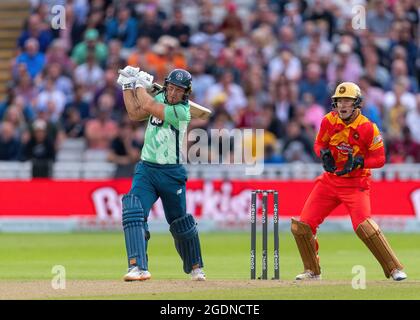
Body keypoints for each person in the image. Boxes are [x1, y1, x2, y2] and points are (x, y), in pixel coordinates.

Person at [291, 82, 407, 281]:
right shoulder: (328, 120)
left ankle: (394, 268)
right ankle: (312, 271)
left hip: (356, 184)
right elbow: (319, 143)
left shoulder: (368, 128)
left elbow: (379, 159)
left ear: (357, 104)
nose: (343, 105)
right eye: (339, 101)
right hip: (329, 181)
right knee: (302, 226)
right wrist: (323, 154)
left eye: (347, 101)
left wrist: (360, 162)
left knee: (364, 226)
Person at [116, 66, 205, 281]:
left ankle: (195, 267)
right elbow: (135, 113)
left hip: (171, 173)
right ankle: (138, 267)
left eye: (179, 90)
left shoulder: (182, 112)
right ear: (166, 86)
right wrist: (128, 85)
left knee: (180, 223)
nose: (173, 93)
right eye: (171, 88)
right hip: (146, 169)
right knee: (133, 210)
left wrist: (139, 84)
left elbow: (146, 104)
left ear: (186, 93)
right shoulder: (159, 96)